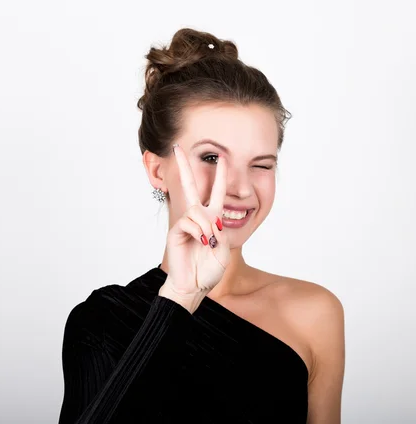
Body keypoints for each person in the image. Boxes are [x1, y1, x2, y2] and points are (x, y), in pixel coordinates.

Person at [58, 28, 345, 424]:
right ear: (157, 169)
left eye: (261, 165)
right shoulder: (101, 322)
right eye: (210, 158)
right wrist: (179, 298)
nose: (240, 188)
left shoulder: (314, 313)